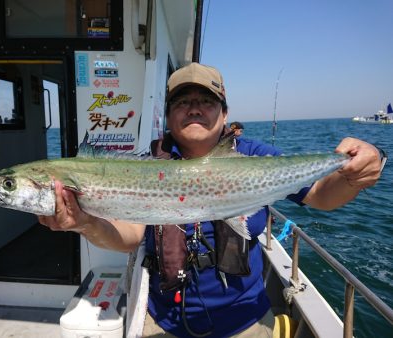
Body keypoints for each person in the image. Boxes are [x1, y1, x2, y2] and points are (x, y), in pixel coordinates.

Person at [38, 63, 382, 337]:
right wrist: (84, 222)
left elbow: (322, 196)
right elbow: (129, 236)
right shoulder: (147, 166)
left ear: (224, 111)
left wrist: (361, 167)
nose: (194, 109)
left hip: (246, 322)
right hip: (166, 322)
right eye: (183, 101)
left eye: (206, 101)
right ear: (169, 114)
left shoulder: (253, 156)